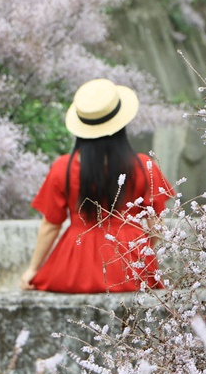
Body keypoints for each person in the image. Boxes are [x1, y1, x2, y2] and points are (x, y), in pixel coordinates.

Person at [19, 78, 175, 293]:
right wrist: (140, 249)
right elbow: (156, 225)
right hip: (129, 263)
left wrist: (32, 269)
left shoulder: (63, 168)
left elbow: (50, 225)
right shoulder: (145, 166)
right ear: (120, 123)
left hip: (73, 266)